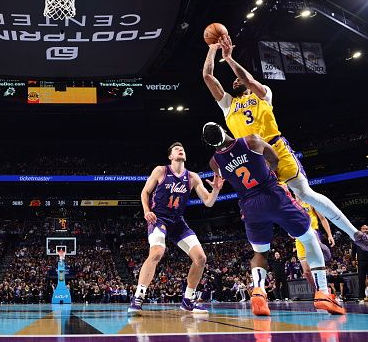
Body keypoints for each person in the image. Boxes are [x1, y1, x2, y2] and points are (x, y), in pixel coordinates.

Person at [202, 36, 368, 250]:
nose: (235, 80)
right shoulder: (228, 105)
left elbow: (250, 80)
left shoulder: (264, 94)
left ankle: (355, 235)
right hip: (253, 161)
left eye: (238, 78)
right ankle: (307, 240)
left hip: (276, 148)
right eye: (234, 79)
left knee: (305, 194)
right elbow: (208, 76)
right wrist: (212, 49)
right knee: (270, 205)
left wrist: (229, 59)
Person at [202, 122, 344, 315]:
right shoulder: (251, 140)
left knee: (260, 253)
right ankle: (323, 294)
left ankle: (259, 292)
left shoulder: (214, 163)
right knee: (310, 239)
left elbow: (224, 177)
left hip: (249, 206)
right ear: (223, 129)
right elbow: (275, 159)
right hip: (272, 195)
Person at [128, 142, 224, 315]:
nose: (181, 150)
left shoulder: (193, 177)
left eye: (183, 149)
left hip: (178, 221)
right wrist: (146, 211)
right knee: (157, 252)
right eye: (176, 149)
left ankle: (188, 300)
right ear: (170, 156)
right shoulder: (161, 171)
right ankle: (138, 297)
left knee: (201, 258)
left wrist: (216, 190)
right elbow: (144, 193)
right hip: (158, 218)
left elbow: (208, 202)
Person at [351, 225, 368, 302]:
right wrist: (353, 259)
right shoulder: (356, 239)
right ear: (360, 230)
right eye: (364, 229)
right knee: (361, 278)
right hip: (361, 261)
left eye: (367, 229)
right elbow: (353, 250)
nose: (365, 230)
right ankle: (361, 296)